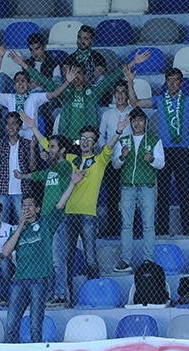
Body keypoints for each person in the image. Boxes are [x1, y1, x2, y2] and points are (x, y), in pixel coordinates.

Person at [23, 112, 128, 302]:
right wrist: (33, 128)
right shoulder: (71, 159)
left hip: (88, 215)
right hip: (68, 215)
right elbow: (48, 146)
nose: (85, 141)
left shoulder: (99, 161)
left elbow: (110, 147)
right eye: (83, 138)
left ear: (95, 143)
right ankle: (68, 298)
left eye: (90, 139)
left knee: (90, 258)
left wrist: (118, 131)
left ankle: (97, 296)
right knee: (67, 258)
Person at [126, 65, 189, 236]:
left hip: (181, 151)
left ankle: (187, 228)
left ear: (181, 83)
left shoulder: (188, 100)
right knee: (163, 190)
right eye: (169, 81)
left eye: (175, 81)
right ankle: (162, 229)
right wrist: (130, 82)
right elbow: (135, 103)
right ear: (165, 83)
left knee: (183, 189)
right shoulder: (159, 100)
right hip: (163, 150)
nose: (172, 84)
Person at [2, 172, 82, 343]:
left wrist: (73, 184)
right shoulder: (16, 230)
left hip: (39, 280)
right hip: (19, 281)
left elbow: (60, 205)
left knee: (35, 326)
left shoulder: (45, 224)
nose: (27, 208)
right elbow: (6, 252)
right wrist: (21, 225)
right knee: (10, 325)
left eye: (30, 205)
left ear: (37, 209)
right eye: (24, 206)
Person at [13, 50, 150, 144]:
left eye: (79, 73)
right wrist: (23, 64)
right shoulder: (64, 91)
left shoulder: (94, 92)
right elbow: (42, 80)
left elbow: (112, 78)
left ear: (85, 75)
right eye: (73, 73)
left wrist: (134, 62)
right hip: (66, 141)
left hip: (86, 142)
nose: (76, 76)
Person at [13, 132, 73, 306]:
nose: (50, 149)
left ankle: (61, 295)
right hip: (46, 221)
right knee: (49, 260)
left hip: (59, 220)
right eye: (49, 147)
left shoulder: (65, 166)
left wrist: (48, 159)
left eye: (53, 147)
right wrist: (22, 176)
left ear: (62, 150)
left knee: (57, 260)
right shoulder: (51, 171)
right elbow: (38, 175)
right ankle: (52, 294)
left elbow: (55, 168)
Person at [111, 108, 165, 271]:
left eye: (140, 120)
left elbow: (161, 164)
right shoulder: (123, 140)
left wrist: (152, 159)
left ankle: (148, 260)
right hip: (127, 187)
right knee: (126, 226)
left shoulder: (154, 140)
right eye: (134, 120)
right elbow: (115, 164)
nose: (137, 123)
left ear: (145, 122)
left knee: (148, 225)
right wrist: (122, 156)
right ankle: (125, 260)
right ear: (130, 123)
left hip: (147, 187)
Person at [0, 112, 34, 224]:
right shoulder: (0, 143)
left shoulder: (26, 143)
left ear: (20, 126)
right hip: (2, 189)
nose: (10, 126)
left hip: (22, 190)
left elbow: (32, 167)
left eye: (14, 123)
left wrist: (32, 149)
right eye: (8, 123)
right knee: (0, 223)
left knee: (24, 223)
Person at [98, 80, 134, 237]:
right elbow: (100, 135)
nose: (120, 95)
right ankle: (113, 228)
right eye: (117, 92)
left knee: (129, 195)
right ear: (113, 95)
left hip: (129, 160)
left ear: (127, 94)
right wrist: (105, 149)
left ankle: (130, 227)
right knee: (112, 195)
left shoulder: (134, 113)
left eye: (123, 92)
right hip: (111, 159)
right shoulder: (107, 114)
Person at [24, 32, 61, 137]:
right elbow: (21, 83)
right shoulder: (26, 64)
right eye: (31, 50)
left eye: (37, 49)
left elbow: (57, 86)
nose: (34, 53)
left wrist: (40, 85)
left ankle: (45, 137)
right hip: (29, 96)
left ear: (44, 47)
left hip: (46, 99)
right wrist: (28, 85)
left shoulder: (54, 64)